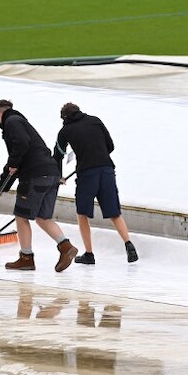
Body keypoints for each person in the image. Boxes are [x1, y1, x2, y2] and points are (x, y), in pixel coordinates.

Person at [0, 99, 78, 273]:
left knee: (21, 216)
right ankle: (65, 246)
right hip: (51, 174)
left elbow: (18, 152)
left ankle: (26, 258)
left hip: (35, 176)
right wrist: (2, 187)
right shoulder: (22, 122)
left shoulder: (11, 122)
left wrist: (3, 183)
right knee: (43, 217)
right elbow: (17, 161)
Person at [53, 102, 137, 265]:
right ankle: (128, 244)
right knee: (114, 212)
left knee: (82, 213)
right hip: (107, 170)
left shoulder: (65, 131)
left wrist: (59, 176)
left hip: (87, 174)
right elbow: (110, 146)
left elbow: (58, 154)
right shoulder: (95, 120)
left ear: (64, 118)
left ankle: (89, 254)